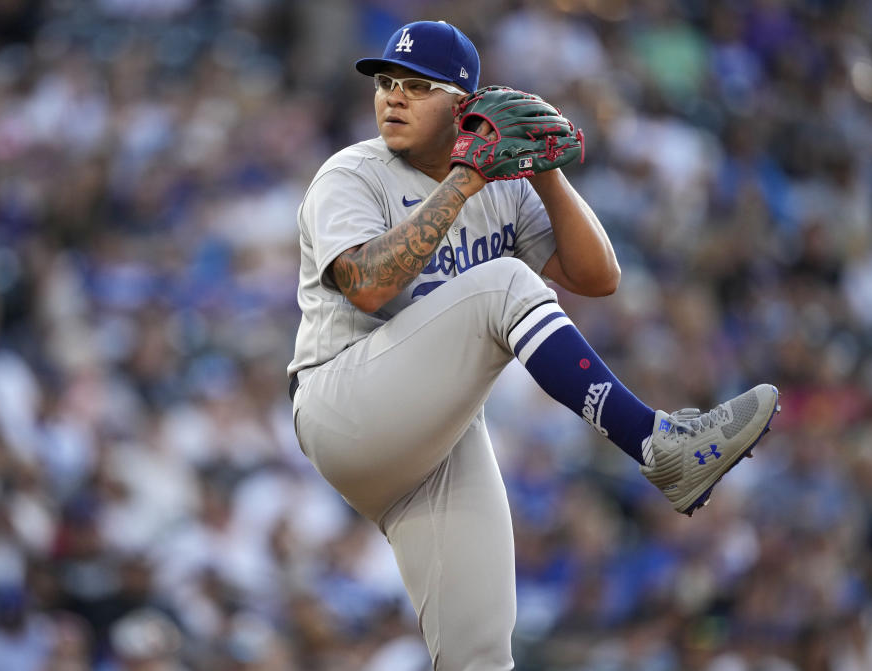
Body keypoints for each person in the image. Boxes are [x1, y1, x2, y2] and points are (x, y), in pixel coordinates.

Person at [287, 20, 779, 670]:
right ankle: (657, 443)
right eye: (386, 83)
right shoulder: (352, 174)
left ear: (465, 106)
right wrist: (464, 178)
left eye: (416, 86)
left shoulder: (504, 188)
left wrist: (543, 170)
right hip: (341, 402)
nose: (392, 98)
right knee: (504, 285)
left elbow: (599, 276)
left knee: (482, 651)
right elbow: (370, 285)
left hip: (433, 441)